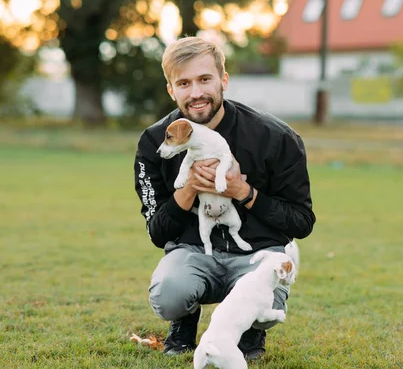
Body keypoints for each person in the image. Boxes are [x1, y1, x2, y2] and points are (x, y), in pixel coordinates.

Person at [133, 36, 316, 360]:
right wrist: (187, 189)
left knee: (268, 302)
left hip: (256, 254)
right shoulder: (154, 143)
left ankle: (249, 331)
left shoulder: (275, 137)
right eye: (184, 83)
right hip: (194, 251)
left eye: (205, 79)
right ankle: (183, 324)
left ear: (223, 80)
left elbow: (301, 222)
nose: (196, 93)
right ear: (171, 91)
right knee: (169, 293)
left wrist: (244, 193)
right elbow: (156, 232)